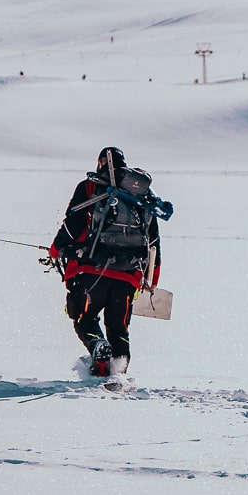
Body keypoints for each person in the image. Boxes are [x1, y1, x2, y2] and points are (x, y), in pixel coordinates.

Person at [50, 146, 162, 382]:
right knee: (119, 328)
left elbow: (73, 223)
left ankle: (98, 346)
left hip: (92, 270)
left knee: (84, 318)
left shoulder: (90, 187)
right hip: (129, 274)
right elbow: (153, 239)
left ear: (100, 163)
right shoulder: (141, 196)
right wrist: (152, 277)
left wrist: (56, 248)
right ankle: (117, 372)